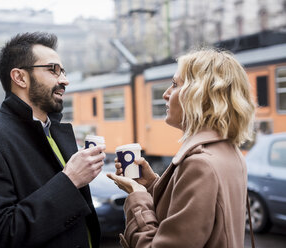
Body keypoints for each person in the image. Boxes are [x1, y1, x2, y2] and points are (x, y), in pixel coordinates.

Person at [0, 32, 106, 248]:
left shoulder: (55, 132)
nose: (64, 80)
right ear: (20, 77)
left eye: (63, 71)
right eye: (53, 70)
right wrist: (70, 180)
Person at [107, 48, 256, 248]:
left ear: (200, 95)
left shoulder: (200, 165)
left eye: (175, 85)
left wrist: (138, 197)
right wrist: (152, 186)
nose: (166, 94)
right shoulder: (228, 151)